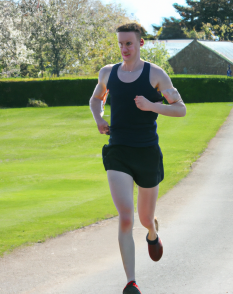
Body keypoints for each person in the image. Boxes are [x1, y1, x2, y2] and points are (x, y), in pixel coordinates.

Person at [89, 23, 186, 294]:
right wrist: (98, 118)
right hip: (118, 151)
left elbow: (180, 109)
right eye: (120, 43)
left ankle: (152, 233)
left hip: (146, 154)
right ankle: (131, 282)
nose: (124, 48)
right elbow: (96, 99)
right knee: (125, 217)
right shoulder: (108, 73)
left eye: (129, 43)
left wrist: (152, 105)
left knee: (144, 218)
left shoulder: (155, 74)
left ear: (140, 44)